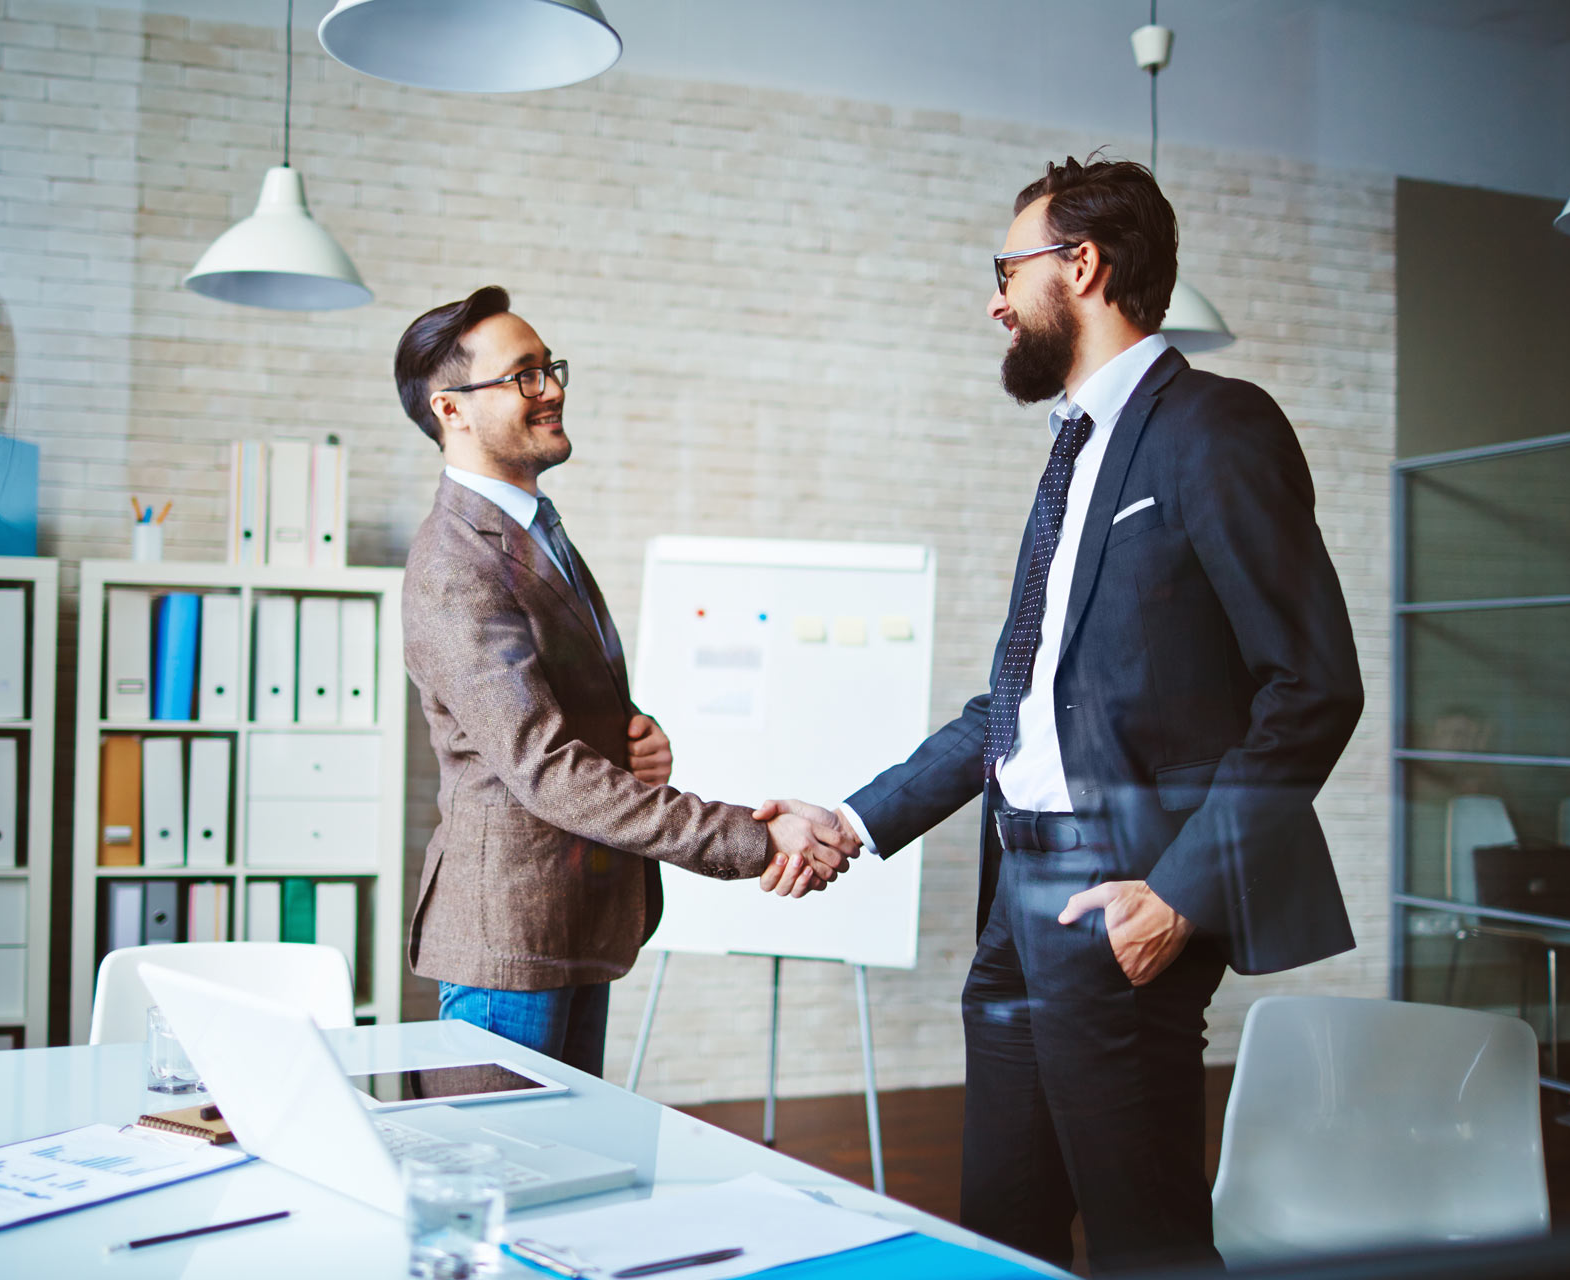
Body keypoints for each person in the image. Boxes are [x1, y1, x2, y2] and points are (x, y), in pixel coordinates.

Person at [759, 157, 1363, 1272]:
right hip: (1016, 895)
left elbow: (1312, 684)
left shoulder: (1215, 426)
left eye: (1007, 269)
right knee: (1001, 1229)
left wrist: (1179, 894)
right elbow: (1019, 704)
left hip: (1121, 892)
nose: (994, 301)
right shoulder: (1074, 451)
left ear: (1080, 265)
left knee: (1145, 1243)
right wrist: (851, 820)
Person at [395, 286, 859, 1076]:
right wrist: (754, 838)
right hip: (509, 942)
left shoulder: (533, 528)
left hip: (570, 923)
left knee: (569, 1155)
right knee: (496, 1157)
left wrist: (633, 732)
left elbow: (551, 697)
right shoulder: (454, 564)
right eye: (524, 375)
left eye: (551, 368)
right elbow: (544, 766)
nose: (552, 389)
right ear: (452, 409)